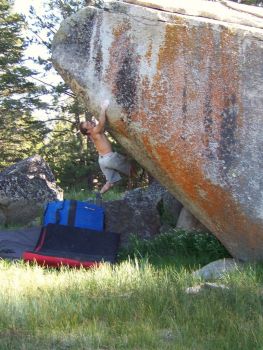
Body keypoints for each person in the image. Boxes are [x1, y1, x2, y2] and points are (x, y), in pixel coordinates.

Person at [79, 100, 132, 194]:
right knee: (132, 169)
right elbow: (101, 123)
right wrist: (103, 108)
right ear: (87, 131)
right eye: (88, 124)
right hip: (110, 158)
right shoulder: (94, 131)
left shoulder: (92, 135)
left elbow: (99, 126)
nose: (89, 122)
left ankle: (99, 196)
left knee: (110, 183)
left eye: (88, 121)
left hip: (102, 160)